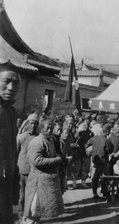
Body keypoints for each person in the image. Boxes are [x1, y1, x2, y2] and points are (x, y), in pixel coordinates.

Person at [23, 119, 64, 224]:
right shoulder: (37, 142)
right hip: (37, 181)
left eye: (51, 128)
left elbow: (53, 154)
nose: (50, 130)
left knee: (39, 213)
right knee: (33, 210)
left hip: (45, 180)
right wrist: (57, 160)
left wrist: (58, 157)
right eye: (47, 128)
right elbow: (37, 161)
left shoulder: (49, 140)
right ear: (41, 128)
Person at [0, 65, 21, 223]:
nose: (11, 87)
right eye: (6, 81)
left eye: (16, 83)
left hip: (7, 180)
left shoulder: (11, 112)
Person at [17, 113, 39, 220]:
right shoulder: (21, 137)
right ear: (27, 124)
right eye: (31, 123)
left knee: (33, 196)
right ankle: (21, 216)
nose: (33, 126)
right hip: (22, 171)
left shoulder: (40, 138)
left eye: (35, 124)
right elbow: (15, 153)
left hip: (34, 172)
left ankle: (29, 217)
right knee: (22, 196)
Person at [86, 124, 113, 200]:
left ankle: (94, 193)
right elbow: (110, 150)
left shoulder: (94, 138)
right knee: (105, 178)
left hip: (95, 162)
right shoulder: (106, 140)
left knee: (95, 178)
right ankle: (105, 194)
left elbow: (87, 144)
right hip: (103, 162)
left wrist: (89, 152)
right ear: (107, 131)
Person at [77, 119, 94, 188]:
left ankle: (83, 182)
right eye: (84, 125)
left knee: (85, 168)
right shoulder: (80, 133)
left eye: (86, 125)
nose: (85, 127)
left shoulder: (91, 133)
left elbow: (93, 142)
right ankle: (75, 183)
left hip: (87, 153)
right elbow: (77, 141)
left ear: (89, 126)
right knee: (78, 168)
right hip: (79, 152)